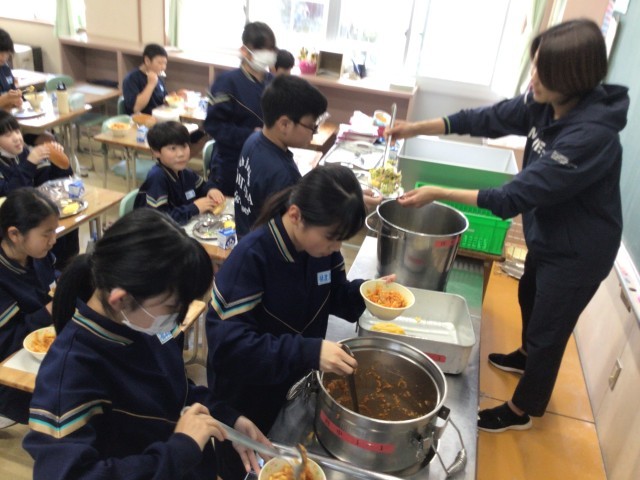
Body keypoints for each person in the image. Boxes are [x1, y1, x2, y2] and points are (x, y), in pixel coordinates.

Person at [387, 19, 629, 433]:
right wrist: (416, 127)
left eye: (542, 72)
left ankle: (522, 409)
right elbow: (486, 119)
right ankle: (525, 356)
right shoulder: (545, 102)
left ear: (572, 78)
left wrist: (436, 192)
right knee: (529, 296)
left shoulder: (591, 136)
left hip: (578, 252)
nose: (532, 78)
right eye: (535, 66)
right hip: (549, 234)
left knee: (549, 332)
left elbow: (513, 196)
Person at [23, 209, 270, 479]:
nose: (179, 317)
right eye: (173, 307)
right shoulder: (69, 373)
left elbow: (175, 388)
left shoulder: (139, 321)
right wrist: (179, 450)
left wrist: (229, 420)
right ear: (121, 298)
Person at [207, 164, 394, 479]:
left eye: (342, 240)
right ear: (296, 215)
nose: (337, 249)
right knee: (245, 472)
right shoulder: (252, 258)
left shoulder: (321, 250)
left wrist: (367, 295)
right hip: (247, 400)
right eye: (332, 238)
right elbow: (229, 348)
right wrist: (309, 351)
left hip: (292, 387)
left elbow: (332, 292)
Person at [234, 74, 327, 237]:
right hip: (267, 248)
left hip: (245, 237)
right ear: (284, 124)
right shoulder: (284, 175)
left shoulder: (253, 140)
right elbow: (299, 230)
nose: (313, 134)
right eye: (312, 127)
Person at [0, 188, 58, 428]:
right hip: (11, 372)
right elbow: (7, 342)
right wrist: (51, 310)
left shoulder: (36, 253)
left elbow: (49, 284)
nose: (53, 240)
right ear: (14, 234)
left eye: (54, 231)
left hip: (47, 345)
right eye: (46, 234)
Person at [204, 21, 277, 196]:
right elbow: (214, 126)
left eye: (271, 50)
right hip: (232, 164)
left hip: (265, 160)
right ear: (244, 51)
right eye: (261, 50)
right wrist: (252, 135)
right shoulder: (227, 82)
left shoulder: (273, 82)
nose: (267, 55)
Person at [0, 110, 79, 268]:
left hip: (33, 211)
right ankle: (57, 266)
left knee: (67, 222)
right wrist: (30, 163)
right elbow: (9, 195)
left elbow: (49, 182)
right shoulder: (22, 158)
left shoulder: (21, 153)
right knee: (46, 228)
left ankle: (68, 264)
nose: (16, 138)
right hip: (14, 223)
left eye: (17, 131)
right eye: (8, 135)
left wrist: (57, 163)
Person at [134, 121, 224, 225]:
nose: (181, 154)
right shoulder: (157, 178)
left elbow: (203, 187)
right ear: (156, 152)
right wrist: (194, 208)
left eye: (184, 146)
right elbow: (160, 220)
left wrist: (211, 189)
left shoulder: (185, 173)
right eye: (173, 148)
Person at [122, 43, 171, 115]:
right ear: (147, 60)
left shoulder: (158, 76)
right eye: (160, 63)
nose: (163, 67)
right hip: (141, 119)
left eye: (165, 63)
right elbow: (136, 108)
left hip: (160, 116)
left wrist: (176, 96)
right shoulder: (131, 79)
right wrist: (151, 84)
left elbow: (164, 100)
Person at [0, 29, 23, 111]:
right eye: (0, 53)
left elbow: (13, 90)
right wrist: (7, 98)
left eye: (5, 53)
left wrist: (16, 100)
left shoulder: (5, 68)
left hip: (7, 114)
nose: (2, 57)